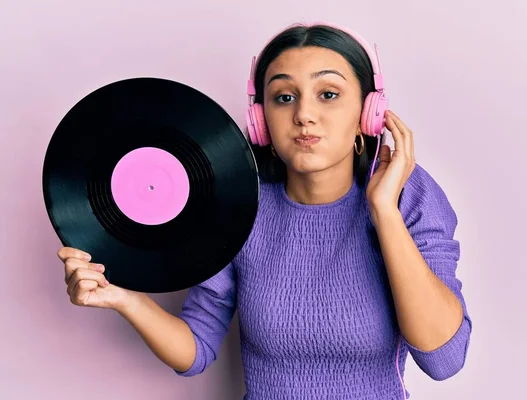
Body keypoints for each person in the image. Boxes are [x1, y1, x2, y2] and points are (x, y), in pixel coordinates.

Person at [58, 21, 472, 399]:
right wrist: (123, 298)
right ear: (261, 121)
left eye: (328, 94)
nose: (304, 115)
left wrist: (384, 212)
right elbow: (196, 349)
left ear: (369, 113)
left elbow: (443, 360)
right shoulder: (240, 203)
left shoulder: (408, 195)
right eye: (284, 97)